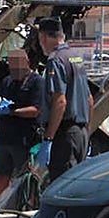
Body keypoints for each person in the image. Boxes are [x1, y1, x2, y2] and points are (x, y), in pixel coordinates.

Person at [37, 17, 93, 182]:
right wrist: (87, 133)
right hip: (81, 133)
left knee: (62, 186)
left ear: (44, 38)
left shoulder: (55, 60)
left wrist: (48, 139)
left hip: (65, 135)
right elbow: (89, 100)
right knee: (76, 184)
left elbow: (60, 102)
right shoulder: (76, 57)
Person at [0, 48, 45, 196]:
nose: (13, 67)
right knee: (2, 175)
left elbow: (36, 110)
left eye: (16, 64)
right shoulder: (7, 81)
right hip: (5, 138)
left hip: (24, 139)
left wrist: (13, 112)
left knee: (25, 178)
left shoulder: (37, 82)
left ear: (26, 62)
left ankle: (25, 204)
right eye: (11, 64)